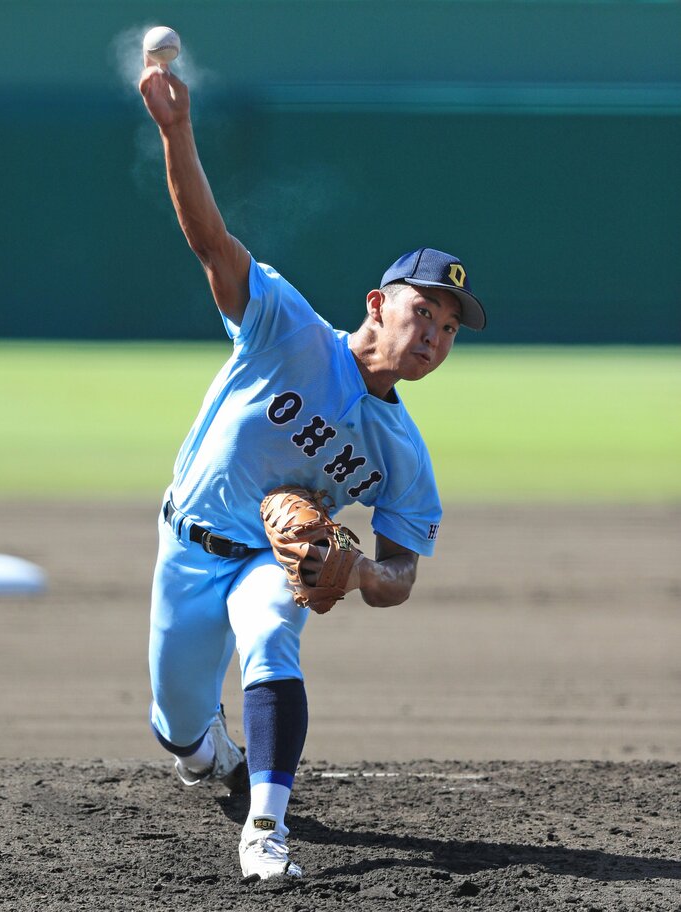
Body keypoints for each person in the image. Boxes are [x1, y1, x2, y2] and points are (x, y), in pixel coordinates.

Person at [138, 61, 486, 883]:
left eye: (448, 329)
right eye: (422, 312)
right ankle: (209, 752)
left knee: (271, 636)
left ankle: (265, 830)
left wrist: (357, 570)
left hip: (268, 558)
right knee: (177, 729)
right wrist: (177, 131)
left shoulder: (401, 453)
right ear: (376, 303)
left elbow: (400, 576)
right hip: (186, 546)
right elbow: (211, 243)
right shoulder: (286, 328)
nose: (433, 337)